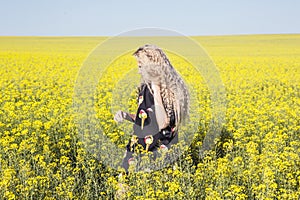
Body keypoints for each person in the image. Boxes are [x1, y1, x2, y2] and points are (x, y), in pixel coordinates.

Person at [114, 44, 190, 173]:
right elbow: (146, 117)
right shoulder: (145, 88)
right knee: (123, 183)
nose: (138, 71)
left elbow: (162, 123)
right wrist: (126, 115)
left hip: (158, 149)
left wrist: (156, 88)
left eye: (140, 67)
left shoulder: (170, 92)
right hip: (138, 144)